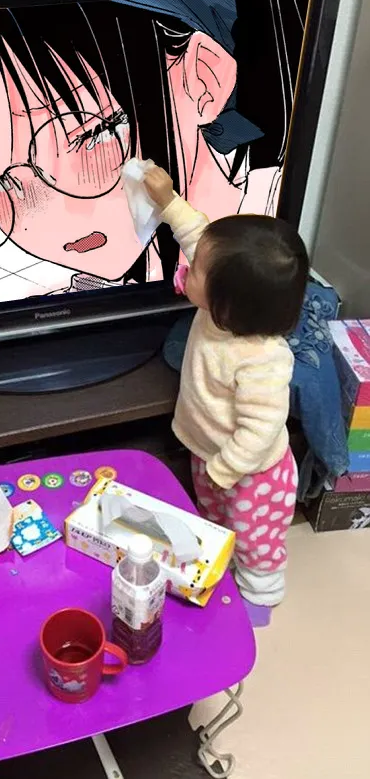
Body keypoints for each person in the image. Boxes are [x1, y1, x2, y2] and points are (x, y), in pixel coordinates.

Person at [0, 0, 309, 308]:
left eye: (92, 136)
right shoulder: (79, 294)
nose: (46, 217)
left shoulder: (274, 256)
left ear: (203, 77)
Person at [143, 163, 309, 613]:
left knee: (257, 543)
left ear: (228, 303)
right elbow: (198, 235)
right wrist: (167, 200)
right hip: (210, 452)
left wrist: (225, 469)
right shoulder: (225, 300)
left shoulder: (261, 359)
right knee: (215, 521)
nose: (188, 266)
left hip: (253, 475)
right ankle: (224, 562)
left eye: (195, 270)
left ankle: (260, 596)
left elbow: (260, 430)